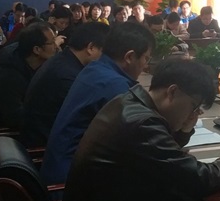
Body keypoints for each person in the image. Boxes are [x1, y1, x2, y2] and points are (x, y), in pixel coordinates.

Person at [60, 60, 220, 201]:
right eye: (193, 106)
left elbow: (161, 155)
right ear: (172, 92)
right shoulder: (142, 124)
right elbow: (196, 178)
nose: (193, 113)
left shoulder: (129, 101)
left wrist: (184, 129)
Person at [40, 22, 155, 185]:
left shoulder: (95, 69)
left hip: (61, 170)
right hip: (69, 185)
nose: (146, 65)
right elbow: (142, 143)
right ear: (129, 57)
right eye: (146, 58)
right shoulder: (115, 86)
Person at [21, 22, 109, 148]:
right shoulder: (68, 76)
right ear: (91, 48)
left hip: (45, 137)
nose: (107, 59)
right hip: (44, 147)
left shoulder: (63, 60)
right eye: (105, 52)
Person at [0, 22, 57, 129]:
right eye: (52, 42)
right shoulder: (9, 76)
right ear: (37, 50)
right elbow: (15, 118)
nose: (56, 46)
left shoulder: (37, 65)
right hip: (15, 133)